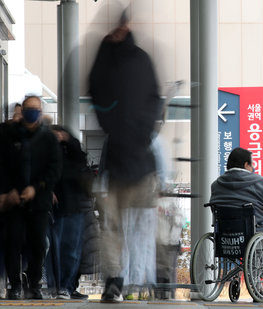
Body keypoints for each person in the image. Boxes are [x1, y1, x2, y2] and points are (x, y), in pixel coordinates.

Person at [89, 10, 162, 303]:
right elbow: (97, 92)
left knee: (127, 228)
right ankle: (119, 281)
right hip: (125, 162)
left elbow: (97, 91)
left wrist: (135, 131)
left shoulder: (134, 60)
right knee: (118, 228)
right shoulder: (118, 58)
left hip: (133, 161)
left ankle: (131, 279)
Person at [2, 96, 62, 300]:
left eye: (36, 109)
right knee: (13, 241)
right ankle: (15, 285)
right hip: (15, 199)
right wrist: (8, 191)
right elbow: (3, 166)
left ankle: (34, 284)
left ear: (41, 111)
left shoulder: (48, 138)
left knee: (38, 244)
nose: (31, 113)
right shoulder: (9, 135)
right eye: (28, 109)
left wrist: (37, 188)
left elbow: (54, 169)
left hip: (39, 200)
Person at [47, 125, 91, 299]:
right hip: (57, 207)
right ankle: (59, 286)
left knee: (71, 249)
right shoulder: (46, 152)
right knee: (57, 249)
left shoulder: (73, 152)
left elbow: (81, 159)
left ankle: (66, 286)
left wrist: (69, 140)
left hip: (73, 205)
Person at [209, 147, 263, 231]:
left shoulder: (215, 185)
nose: (253, 168)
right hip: (255, 232)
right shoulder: (260, 183)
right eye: (252, 164)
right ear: (246, 165)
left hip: (225, 233)